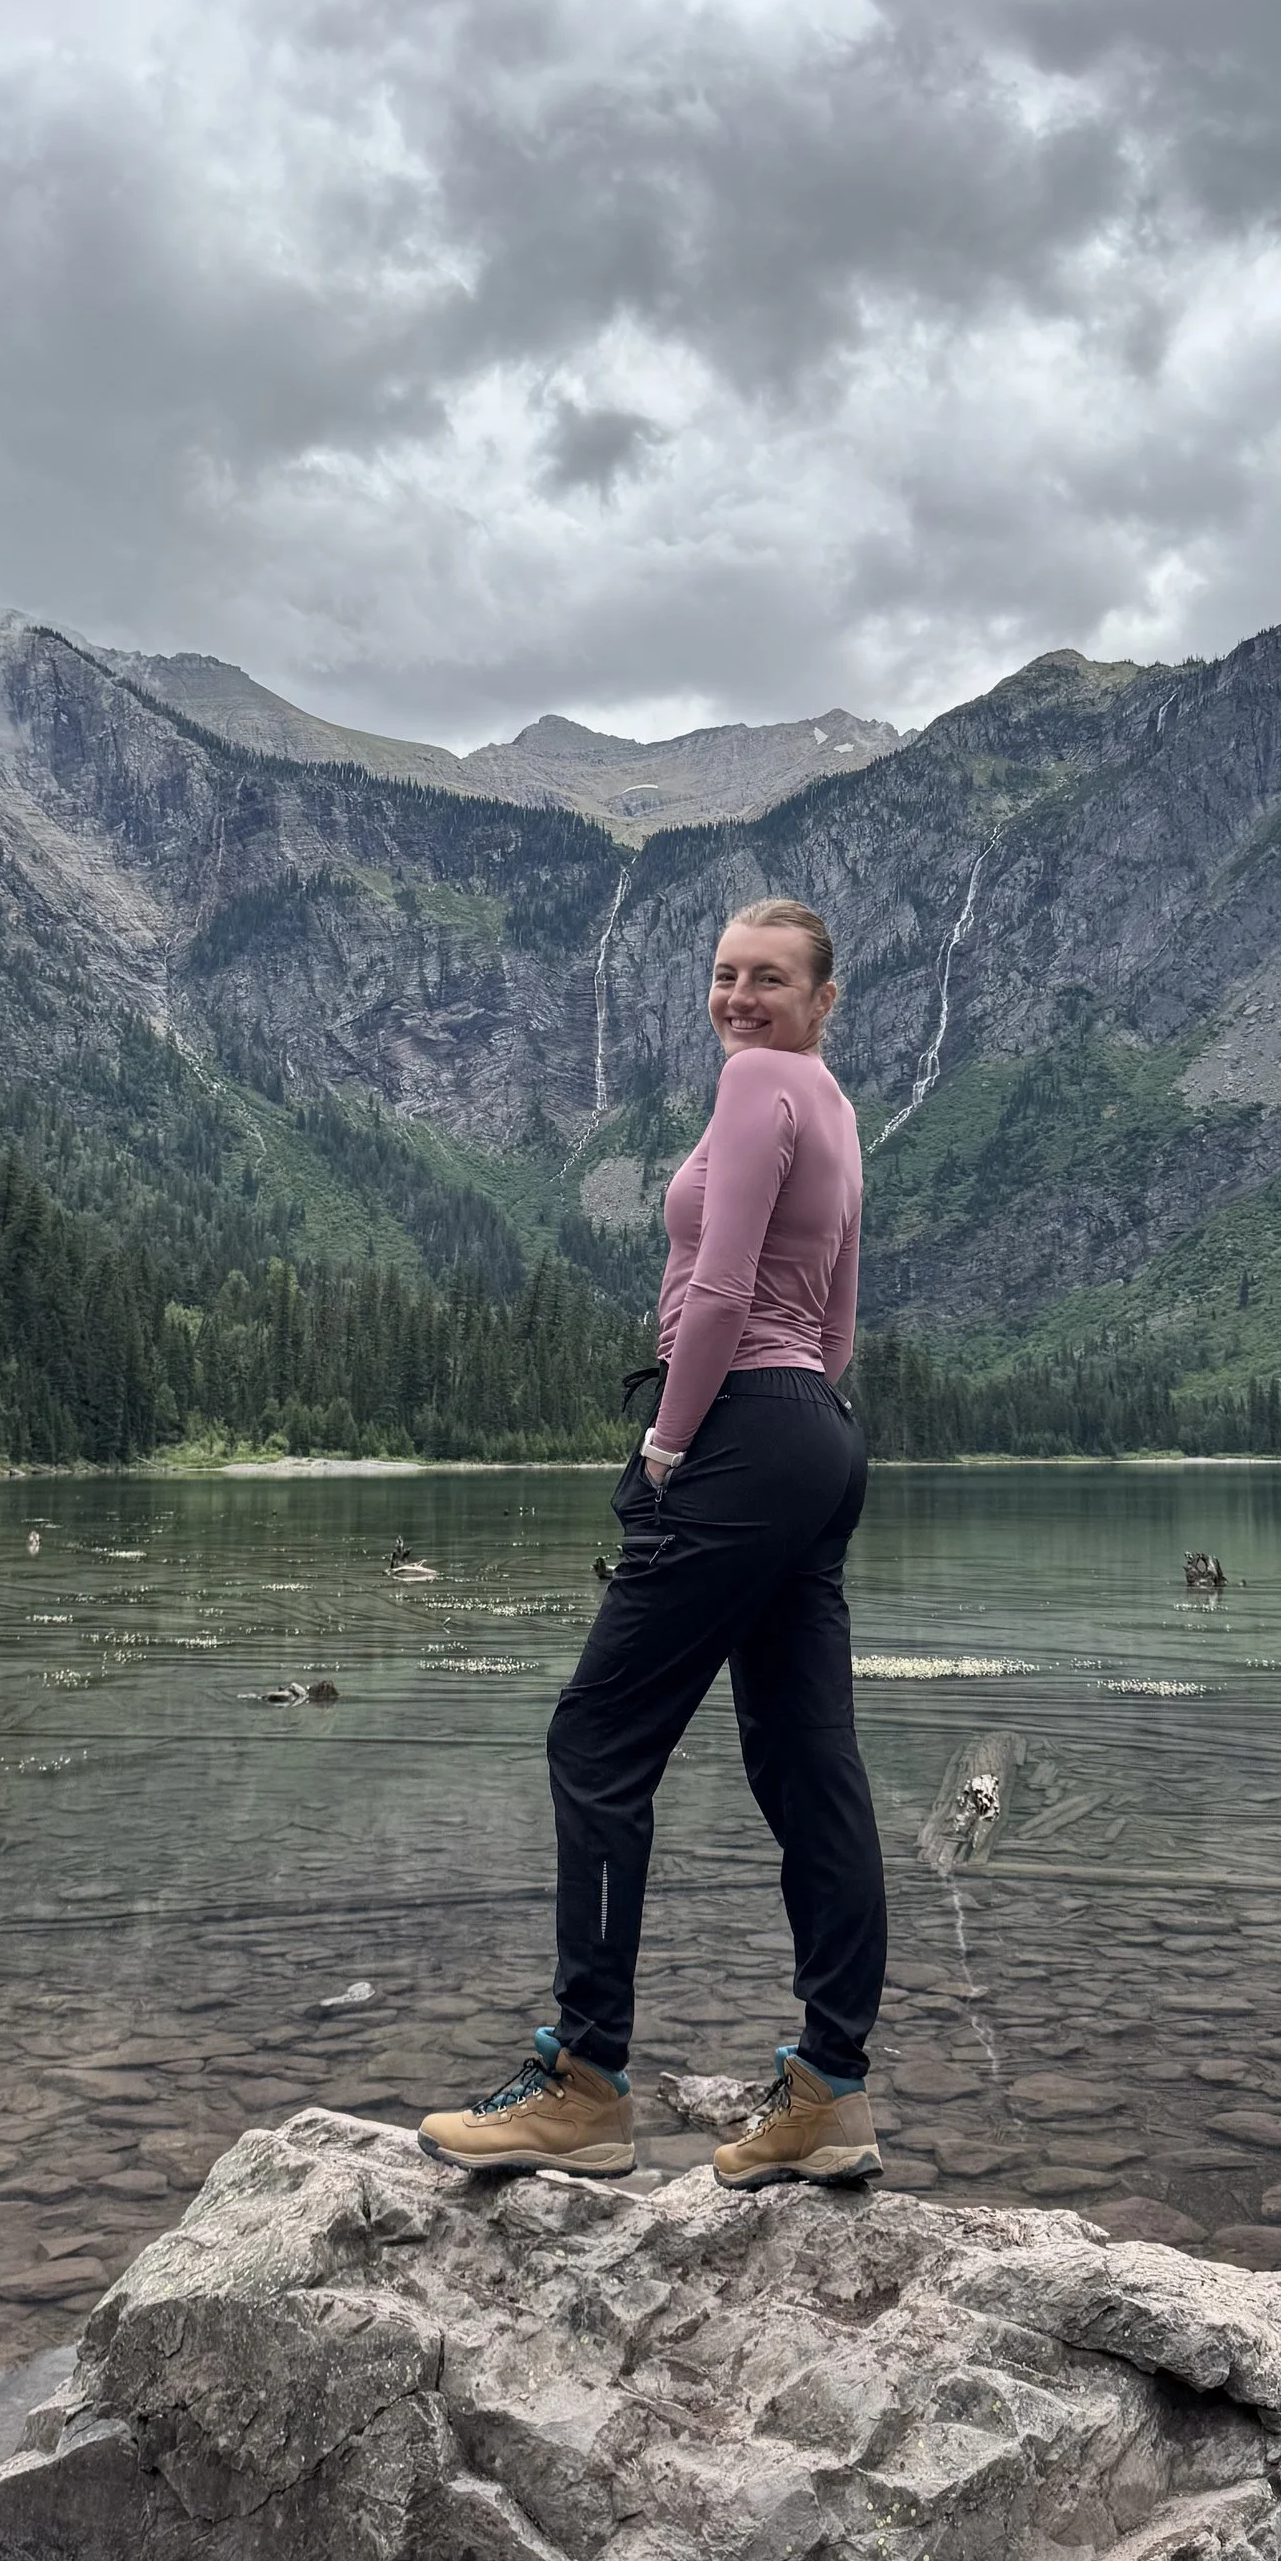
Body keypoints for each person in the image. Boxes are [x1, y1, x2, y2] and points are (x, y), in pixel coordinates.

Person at [420, 898, 885, 2191]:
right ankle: (830, 2092)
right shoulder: (837, 1108)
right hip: (815, 1434)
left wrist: (673, 1445)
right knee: (809, 1767)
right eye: (726, 976)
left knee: (598, 1741)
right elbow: (838, 1316)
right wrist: (798, 1429)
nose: (741, 998)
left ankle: (583, 2080)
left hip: (738, 1429)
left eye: (771, 979)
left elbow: (726, 1288)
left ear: (821, 995)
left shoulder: (757, 1091)